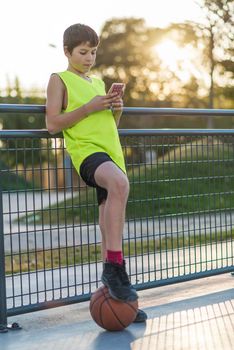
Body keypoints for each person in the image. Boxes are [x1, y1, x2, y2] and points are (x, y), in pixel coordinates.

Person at [46, 23, 147, 323]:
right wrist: (89, 107)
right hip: (87, 152)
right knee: (119, 183)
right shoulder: (59, 79)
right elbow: (53, 124)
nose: (89, 58)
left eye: (93, 52)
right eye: (82, 52)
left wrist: (116, 107)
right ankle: (115, 269)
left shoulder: (98, 82)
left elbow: (110, 124)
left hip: (110, 151)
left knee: (108, 222)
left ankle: (117, 296)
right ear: (67, 51)